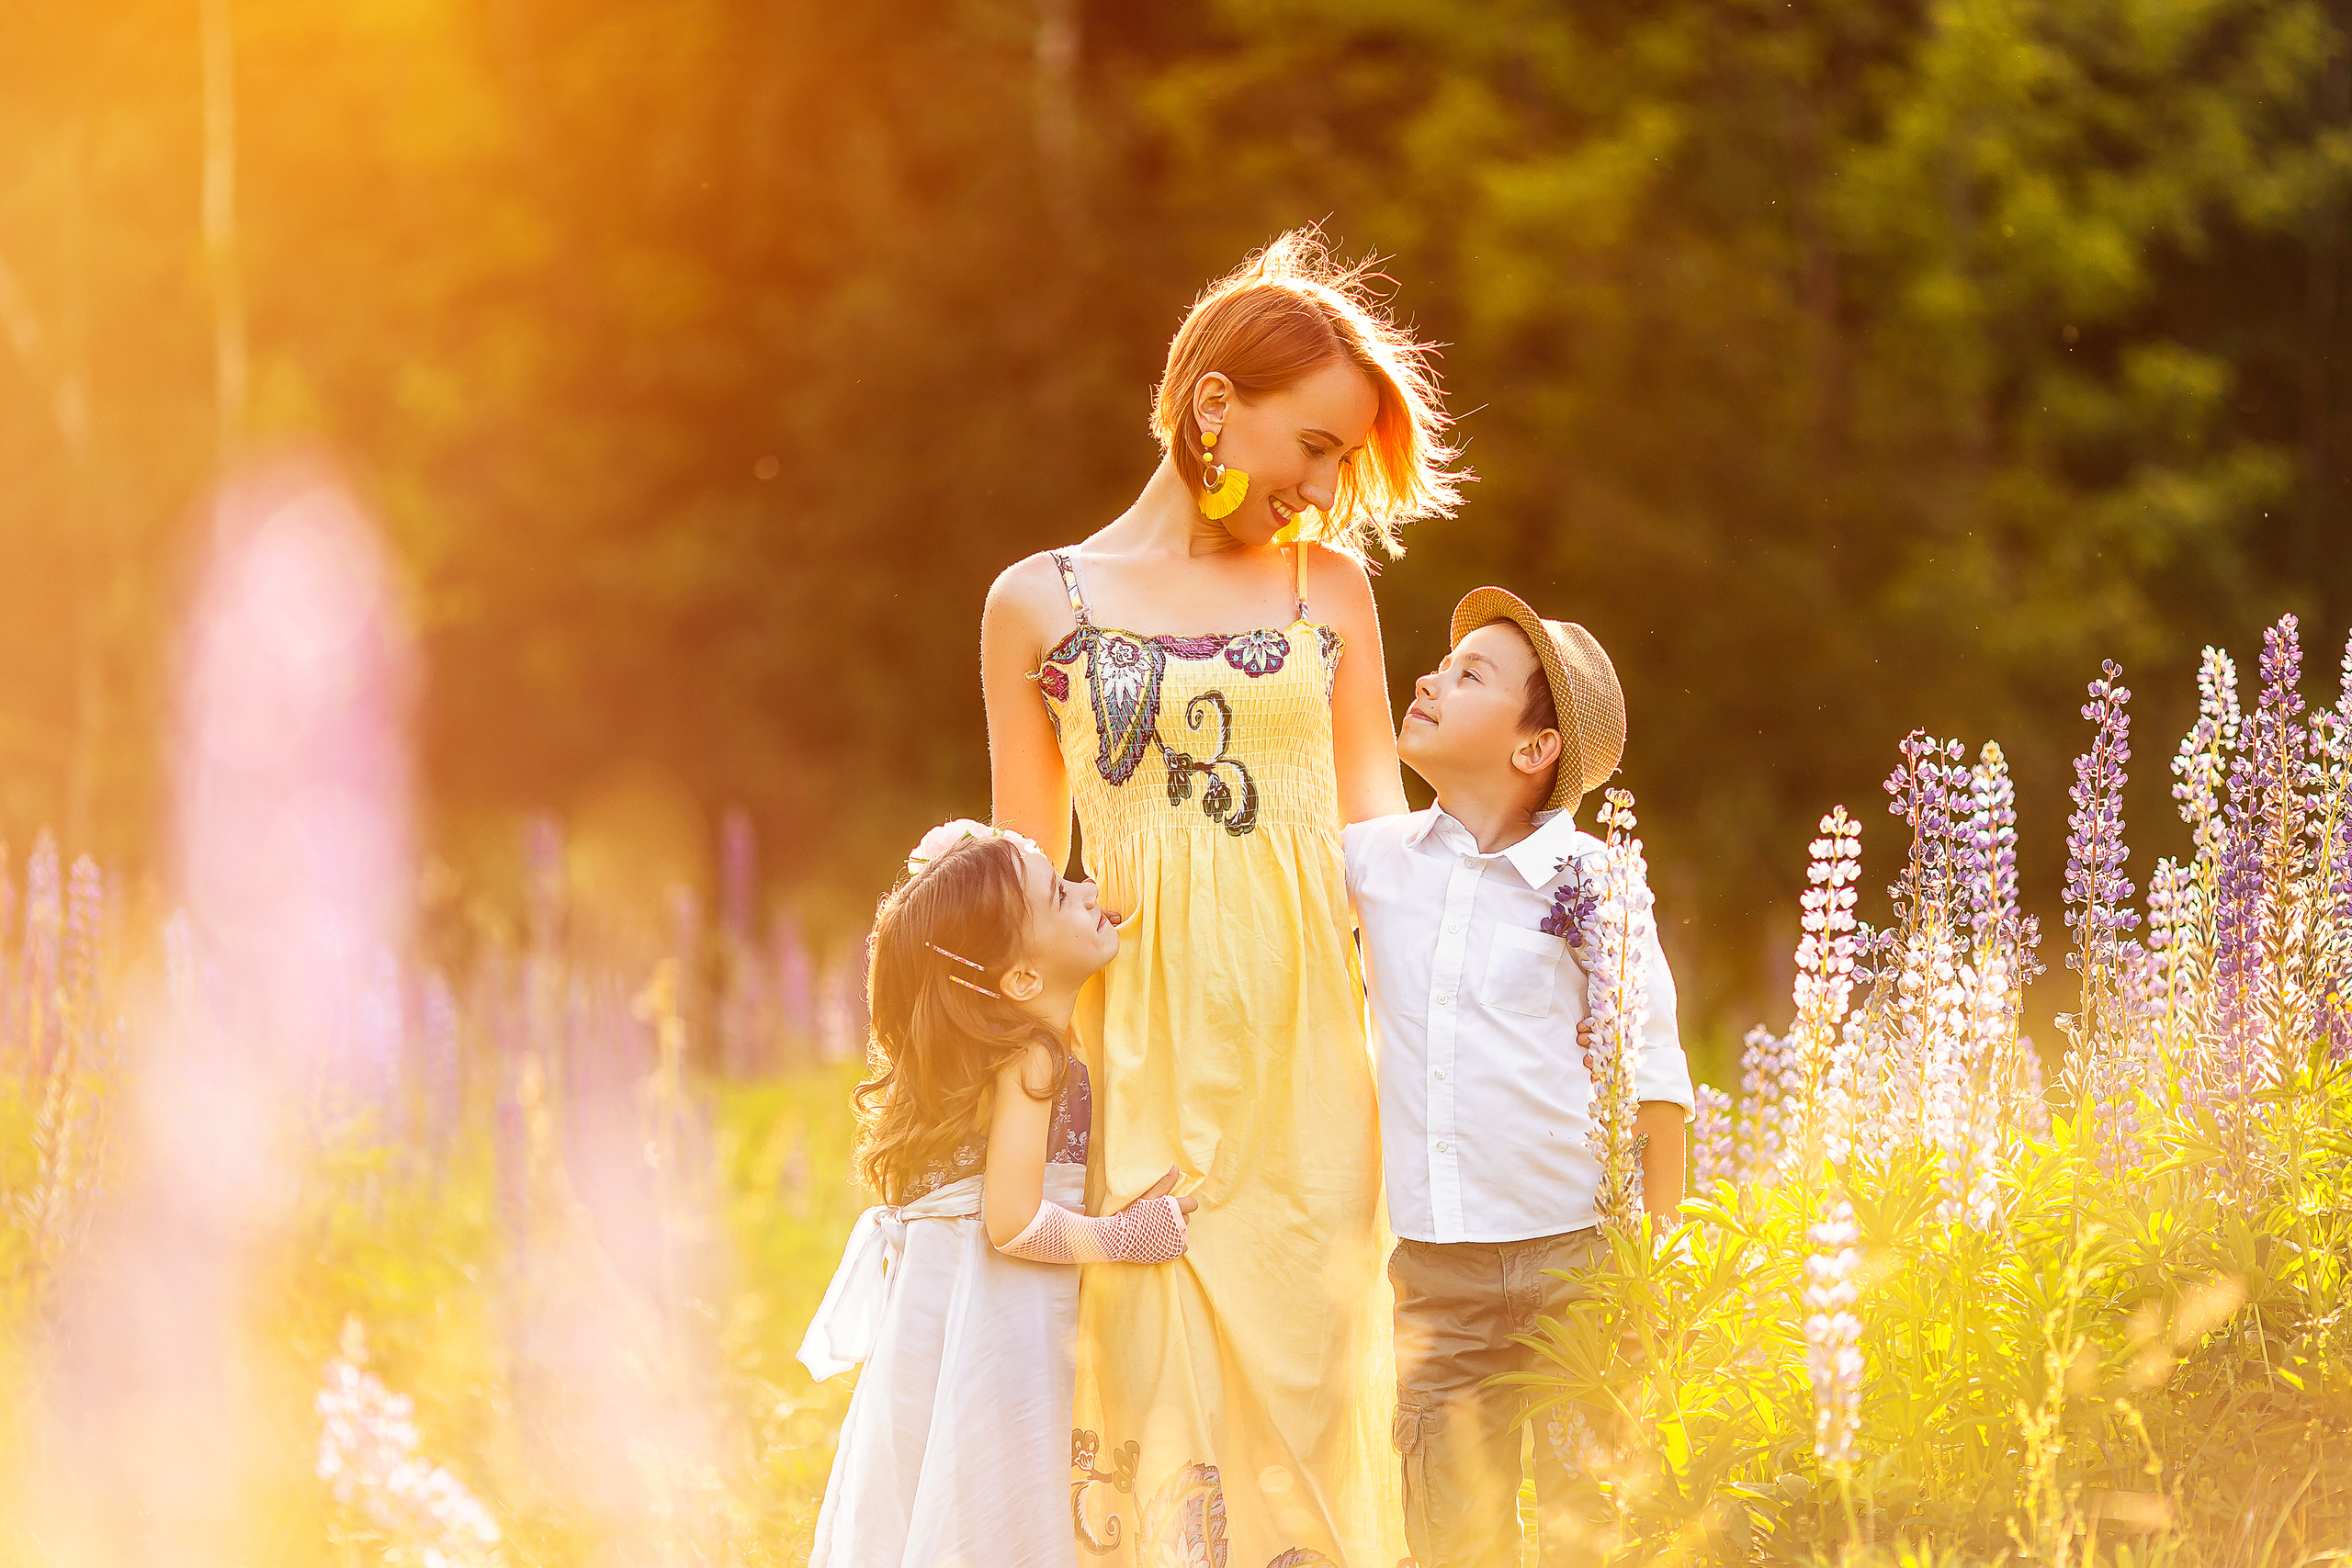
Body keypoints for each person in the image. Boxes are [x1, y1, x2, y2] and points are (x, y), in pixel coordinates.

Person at [982, 230, 1461, 1566]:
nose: (1323, 488)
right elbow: (1020, 887)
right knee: (1158, 1421)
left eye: (1342, 460)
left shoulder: (1330, 590)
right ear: (1212, 405)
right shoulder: (1038, 602)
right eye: (1313, 445)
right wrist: (1005, 1097)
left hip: (1312, 1078)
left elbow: (1386, 856)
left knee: (1311, 1431)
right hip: (1141, 1061)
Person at [1343, 589, 1693, 1566]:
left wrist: (1655, 1262)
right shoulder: (1373, 861)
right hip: (1438, 1273)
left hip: (1578, 1259)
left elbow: (1654, 1073)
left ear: (1535, 747)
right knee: (1452, 1536)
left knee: (1594, 1528)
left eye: (1470, 676)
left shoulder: (1593, 879)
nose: (1429, 680)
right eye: (1442, 663)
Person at [799, 820, 1198, 1568]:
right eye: (1061, 894)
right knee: (989, 1503)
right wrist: (1124, 1235)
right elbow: (1012, 1220)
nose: (1090, 890)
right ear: (1019, 981)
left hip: (941, 1312)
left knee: (925, 1488)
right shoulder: (1032, 1058)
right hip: (992, 1314)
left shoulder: (1003, 1053)